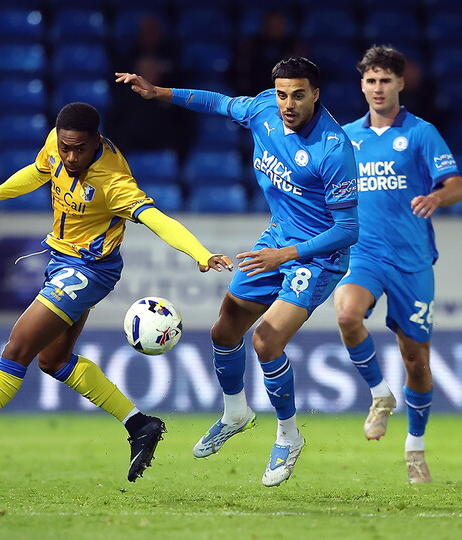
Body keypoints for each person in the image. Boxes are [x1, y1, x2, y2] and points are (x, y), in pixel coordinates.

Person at [0, 103, 233, 483]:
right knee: (53, 360)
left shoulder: (113, 180)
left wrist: (200, 253)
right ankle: (140, 425)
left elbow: (156, 219)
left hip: (89, 270)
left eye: (79, 148)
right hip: (61, 260)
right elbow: (37, 170)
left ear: (97, 139)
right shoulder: (57, 143)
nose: (71, 156)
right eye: (65, 148)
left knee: (17, 349)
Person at [116, 57, 359, 487]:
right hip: (278, 239)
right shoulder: (264, 108)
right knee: (223, 331)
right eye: (283, 93)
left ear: (316, 94)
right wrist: (160, 93)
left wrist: (287, 255)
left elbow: (347, 229)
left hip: (316, 255)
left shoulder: (333, 150)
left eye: (298, 95)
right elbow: (218, 102)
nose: (288, 103)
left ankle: (289, 436)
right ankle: (236, 412)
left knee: (266, 341)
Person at [335, 46, 462, 483]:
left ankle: (415, 446)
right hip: (365, 254)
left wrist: (435, 196)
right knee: (347, 314)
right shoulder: (347, 137)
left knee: (417, 363)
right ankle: (378, 394)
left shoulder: (420, 133)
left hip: (411, 261)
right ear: (362, 85)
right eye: (371, 80)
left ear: (400, 84)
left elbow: (459, 185)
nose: (378, 88)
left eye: (386, 80)